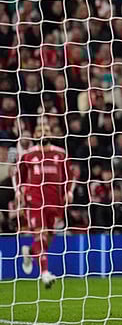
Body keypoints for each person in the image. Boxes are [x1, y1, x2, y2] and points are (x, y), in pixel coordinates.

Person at [16, 121, 71, 288]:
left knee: (49, 237)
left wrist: (68, 192)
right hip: (35, 201)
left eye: (46, 130)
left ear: (51, 134)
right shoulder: (28, 155)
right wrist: (19, 191)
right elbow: (19, 176)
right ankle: (45, 273)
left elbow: (69, 176)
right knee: (41, 235)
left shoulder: (60, 154)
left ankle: (30, 252)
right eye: (40, 130)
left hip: (55, 202)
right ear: (34, 135)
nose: (43, 132)